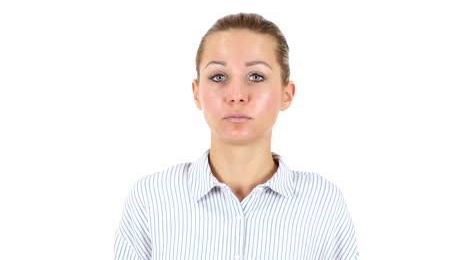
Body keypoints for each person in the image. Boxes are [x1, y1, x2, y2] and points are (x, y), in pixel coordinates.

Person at [114, 13, 359, 260]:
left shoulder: (323, 204)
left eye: (256, 76)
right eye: (218, 77)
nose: (237, 95)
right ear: (197, 93)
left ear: (287, 93)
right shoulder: (151, 199)